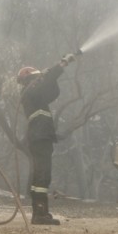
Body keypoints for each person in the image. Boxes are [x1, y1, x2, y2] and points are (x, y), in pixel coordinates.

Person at [17, 52, 78, 225]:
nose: (39, 80)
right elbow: (43, 85)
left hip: (41, 136)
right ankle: (40, 214)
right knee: (42, 175)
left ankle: (40, 212)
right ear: (31, 80)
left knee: (41, 175)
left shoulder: (34, 94)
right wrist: (60, 65)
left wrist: (50, 75)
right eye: (36, 78)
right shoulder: (29, 91)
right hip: (40, 136)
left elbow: (52, 91)